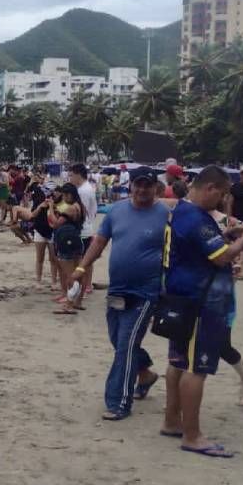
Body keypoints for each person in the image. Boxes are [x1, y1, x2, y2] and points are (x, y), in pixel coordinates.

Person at [160, 166, 243, 458]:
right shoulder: (196, 218)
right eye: (222, 194)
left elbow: (199, 246)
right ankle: (192, 435)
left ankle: (171, 420)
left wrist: (227, 232)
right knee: (197, 368)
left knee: (177, 362)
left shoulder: (180, 211)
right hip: (200, 302)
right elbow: (222, 257)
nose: (222, 200)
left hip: (180, 297)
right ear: (211, 189)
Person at [75, 166, 168, 420]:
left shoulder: (166, 214)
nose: (141, 190)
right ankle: (146, 374)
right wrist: (83, 266)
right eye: (137, 185)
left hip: (147, 292)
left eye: (147, 185)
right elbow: (99, 242)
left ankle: (118, 402)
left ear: (155, 188)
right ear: (131, 186)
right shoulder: (116, 211)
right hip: (117, 291)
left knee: (125, 346)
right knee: (119, 341)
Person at [208, 193, 243, 406]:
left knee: (221, 345)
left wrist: (238, 267)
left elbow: (237, 257)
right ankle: (178, 397)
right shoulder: (190, 216)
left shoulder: (229, 222)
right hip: (194, 290)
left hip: (221, 292)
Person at [50, 183, 85, 314]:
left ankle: (69, 304)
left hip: (66, 241)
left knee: (70, 276)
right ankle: (76, 302)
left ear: (69, 195)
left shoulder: (71, 208)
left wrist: (50, 208)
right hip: (76, 238)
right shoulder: (80, 206)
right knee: (78, 273)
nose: (63, 198)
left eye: (64, 195)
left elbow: (55, 224)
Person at [71, 164, 99, 296]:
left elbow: (80, 211)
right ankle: (87, 284)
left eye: (72, 175)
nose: (71, 178)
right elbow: (94, 210)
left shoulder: (82, 191)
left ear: (78, 175)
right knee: (87, 258)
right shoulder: (88, 188)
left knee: (82, 259)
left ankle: (85, 285)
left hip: (83, 229)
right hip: (88, 226)